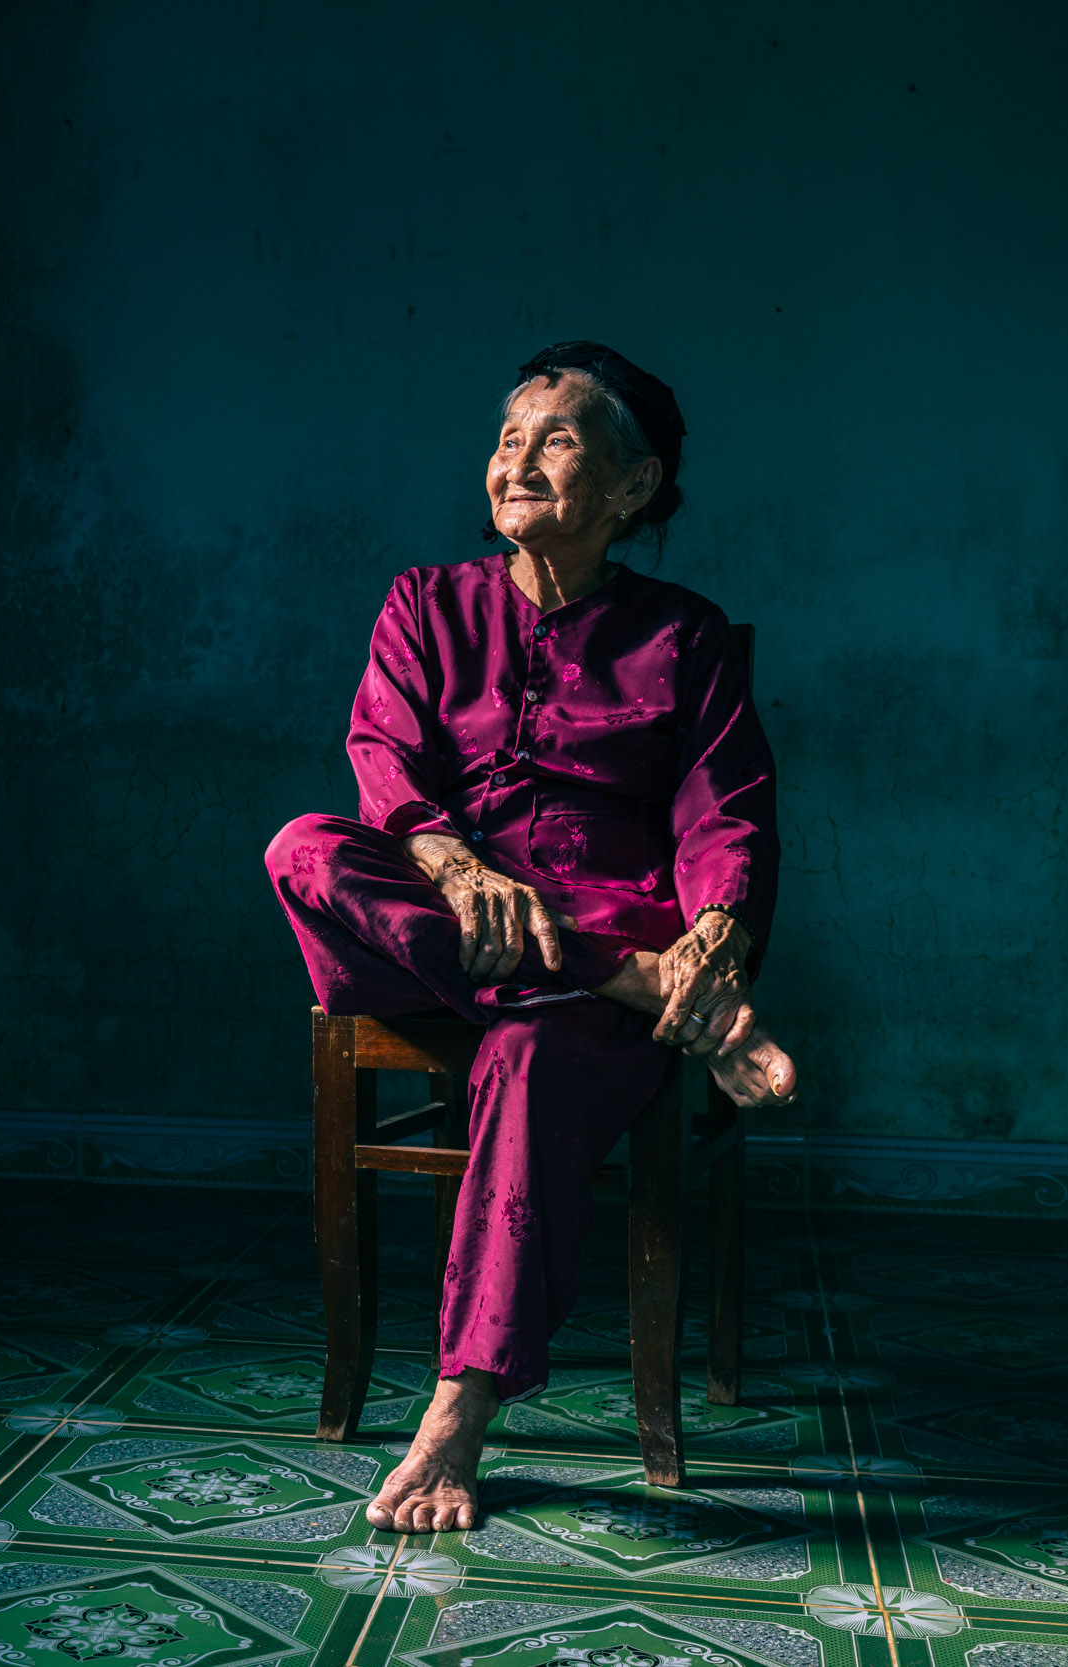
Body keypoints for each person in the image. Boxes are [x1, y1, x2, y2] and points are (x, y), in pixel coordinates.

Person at [263, 341, 798, 1534]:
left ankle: (456, 1413)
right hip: (441, 932)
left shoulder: (684, 638)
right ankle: (624, 981)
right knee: (303, 844)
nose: (517, 459)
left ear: (632, 484)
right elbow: (383, 765)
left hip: (581, 987)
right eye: (508, 436)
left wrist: (712, 934)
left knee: (528, 1054)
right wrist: (458, 868)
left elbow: (727, 810)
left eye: (555, 438)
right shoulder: (423, 604)